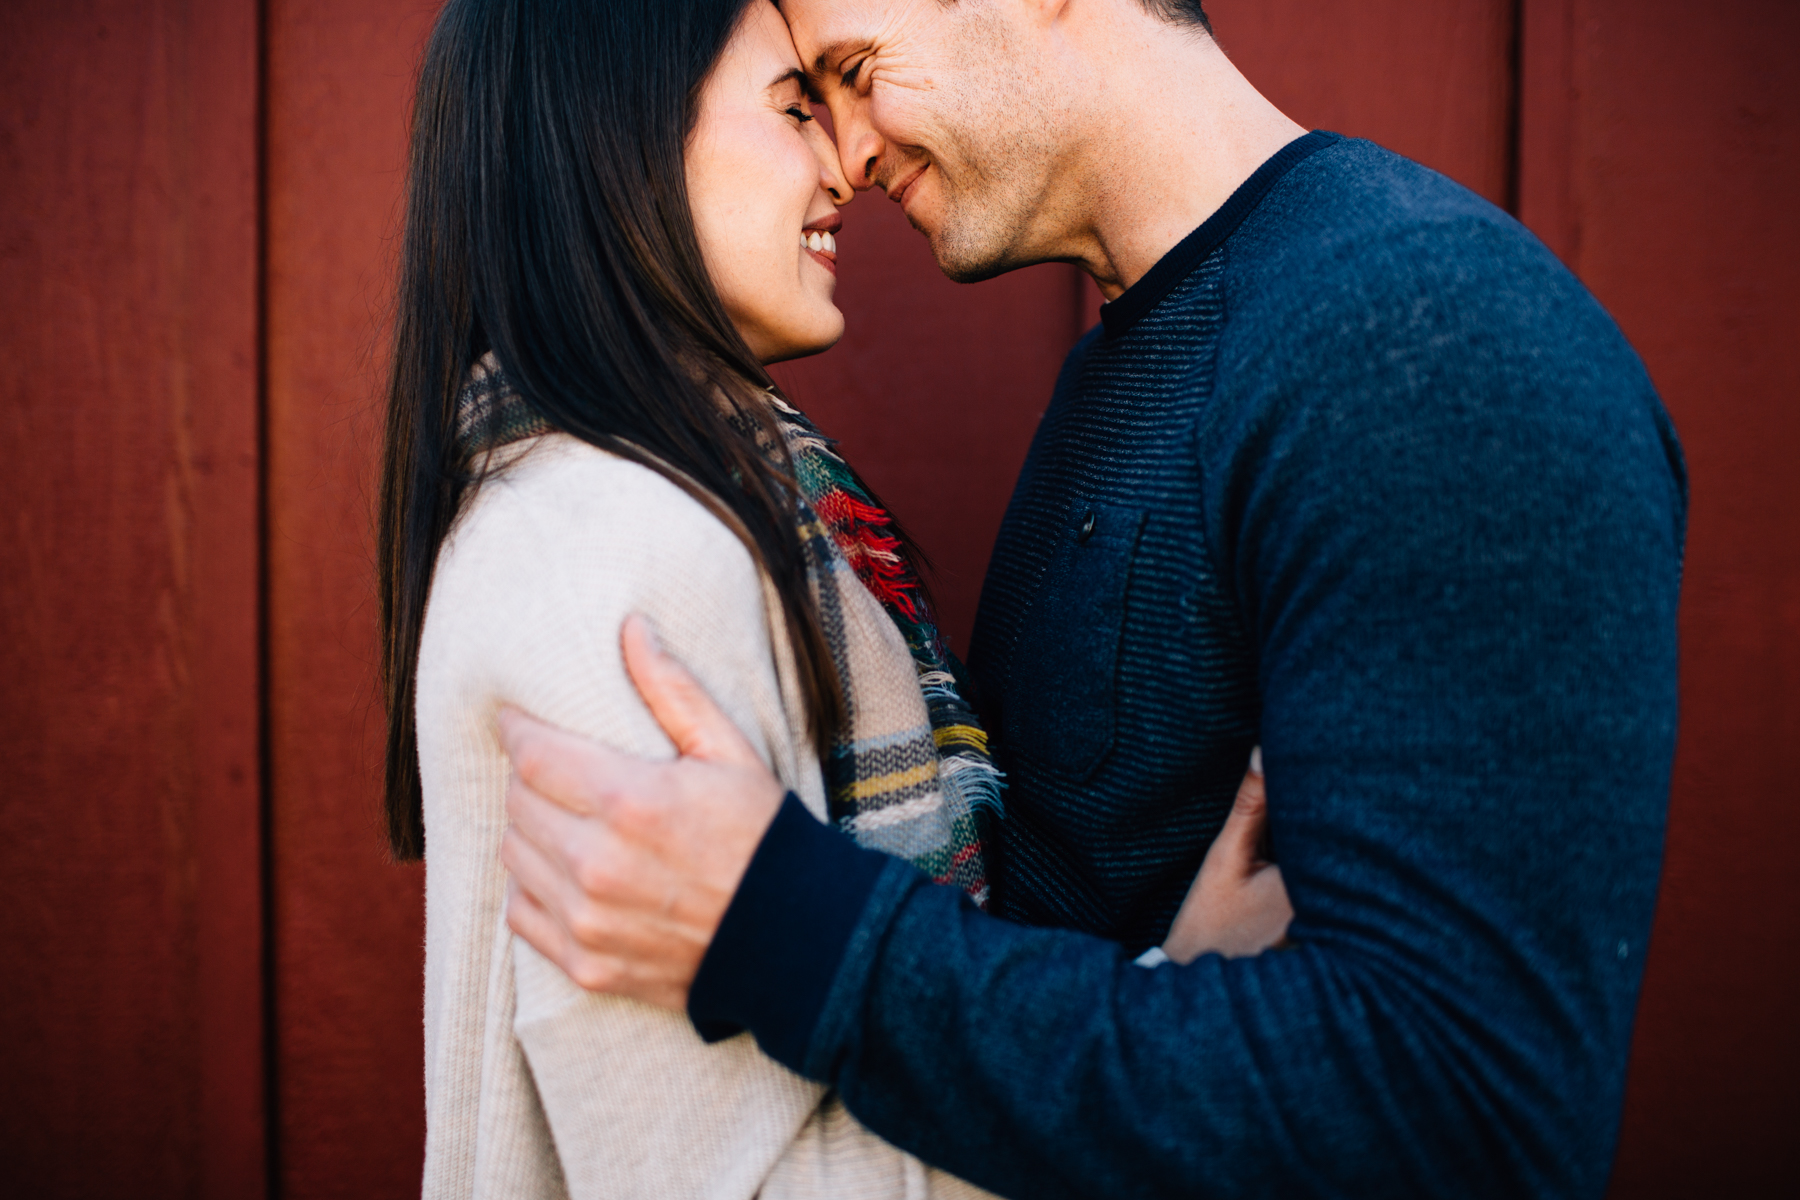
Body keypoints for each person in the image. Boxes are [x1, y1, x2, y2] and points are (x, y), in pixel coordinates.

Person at [495, 0, 1690, 1197]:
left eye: (858, 72)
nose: (848, 156)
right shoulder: (1134, 365)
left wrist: (812, 943)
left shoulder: (1430, 342)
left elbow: (1466, 1119)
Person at [380, 1, 1284, 1196]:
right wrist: (1185, 1009)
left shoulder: (664, 501)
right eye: (796, 106)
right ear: (621, 139)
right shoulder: (613, 551)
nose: (844, 163)